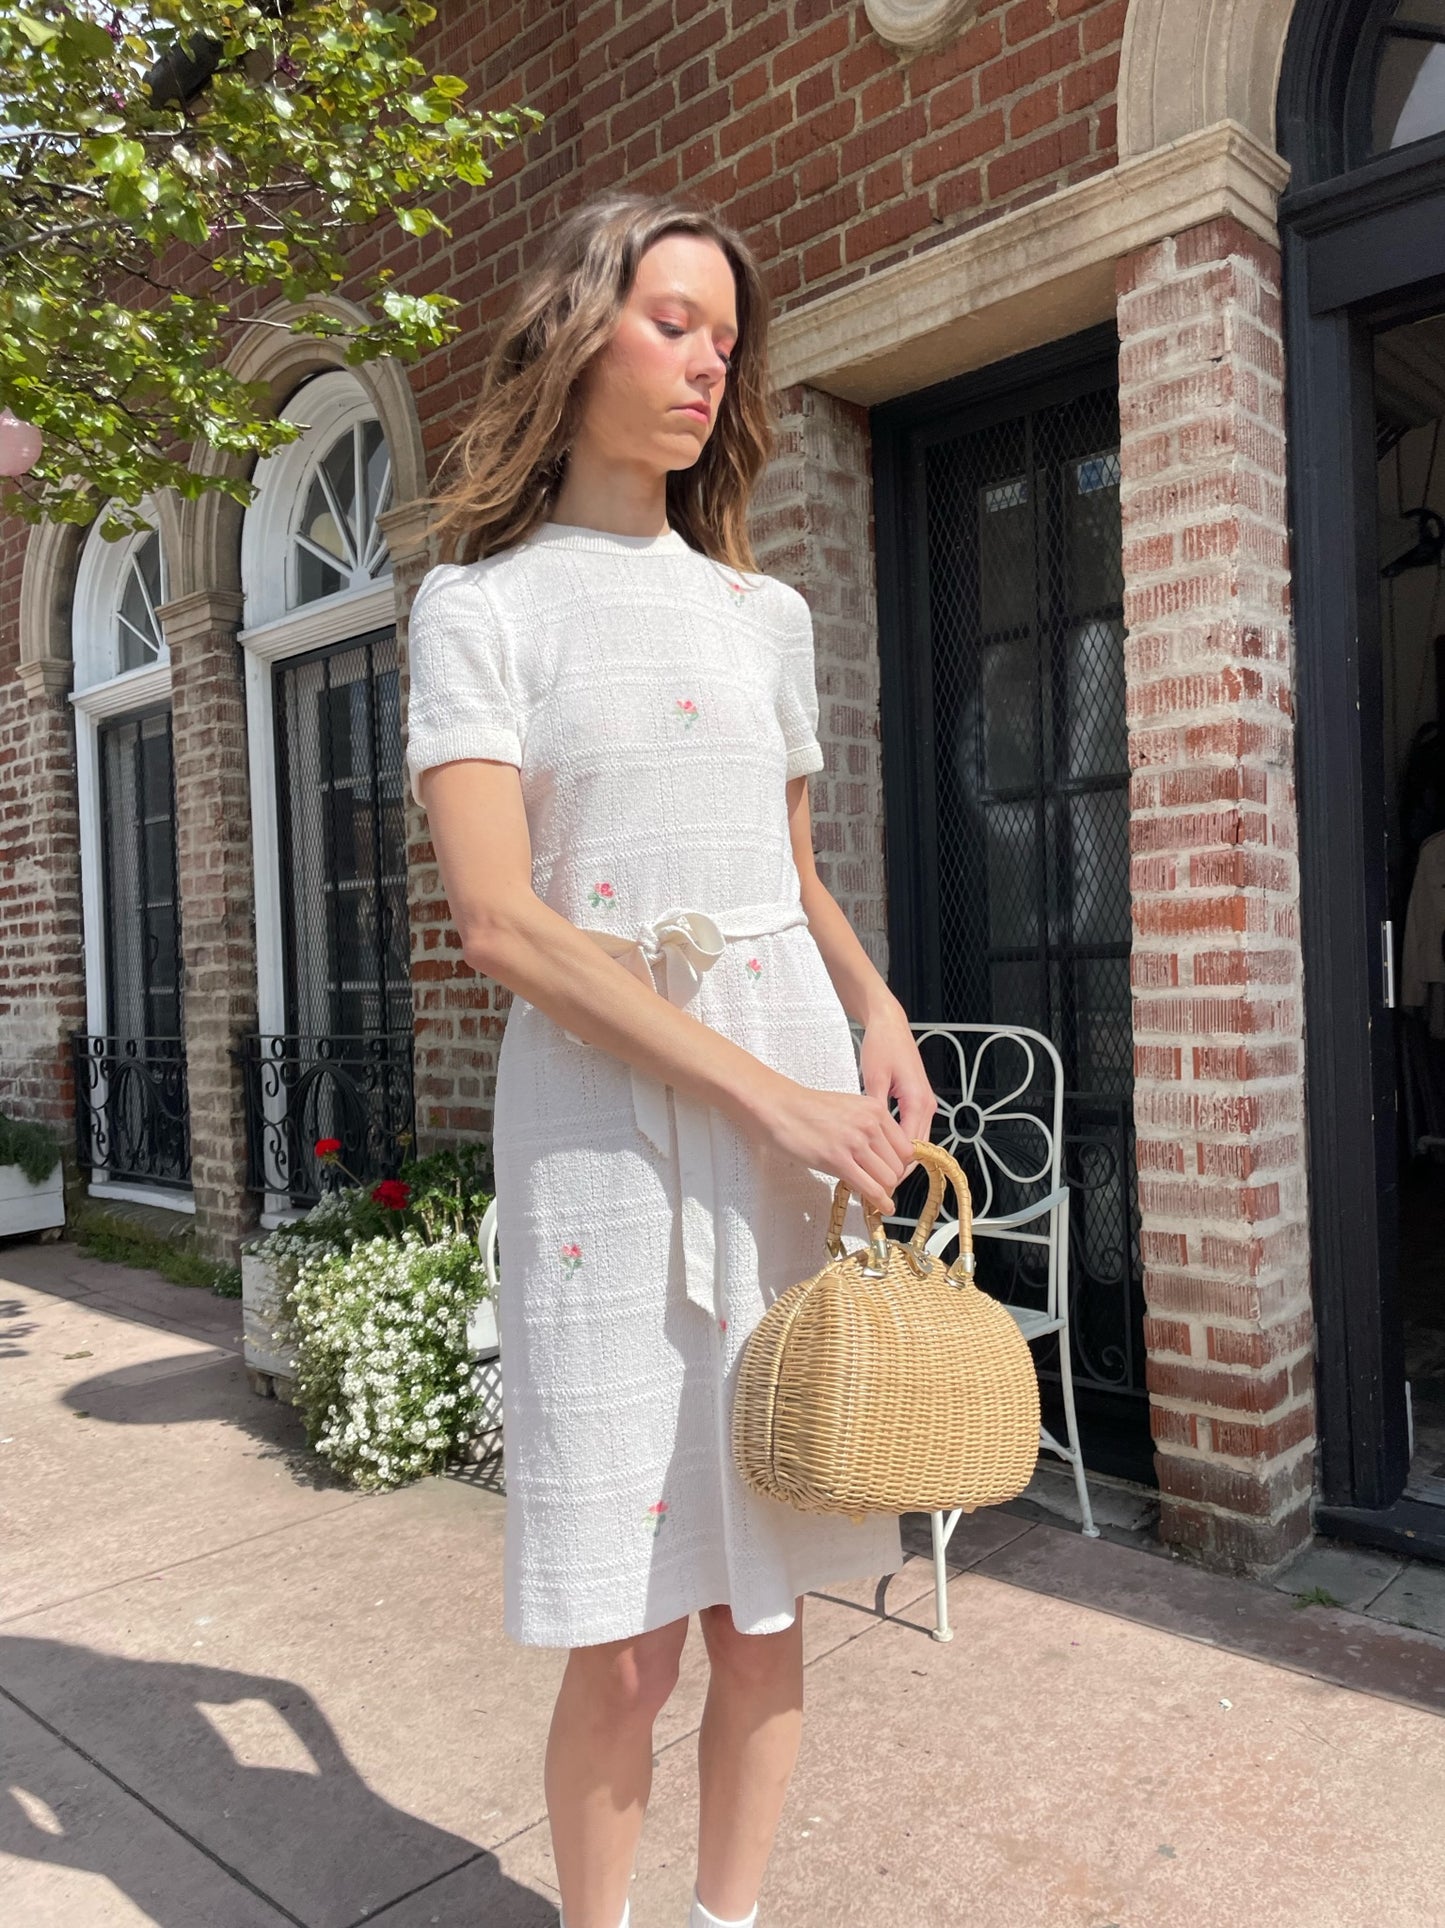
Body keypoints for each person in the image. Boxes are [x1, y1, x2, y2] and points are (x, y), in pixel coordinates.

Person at [404, 190, 935, 1928]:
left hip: (788, 1119)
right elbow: (502, 922)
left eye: (726, 334)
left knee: (768, 1613)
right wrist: (766, 1084)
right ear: (577, 332)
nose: (709, 360)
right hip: (604, 1150)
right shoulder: (479, 613)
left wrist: (870, 1013)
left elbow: (785, 878)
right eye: (672, 319)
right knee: (626, 1644)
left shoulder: (760, 616)